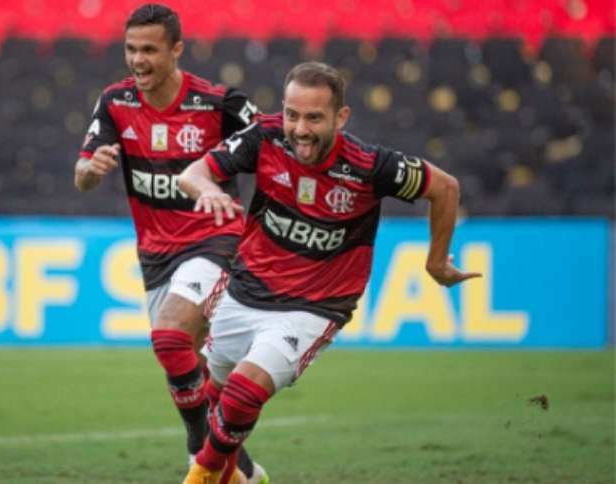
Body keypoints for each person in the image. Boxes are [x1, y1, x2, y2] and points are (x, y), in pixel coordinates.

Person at [178, 61, 482, 483]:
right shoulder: (264, 137)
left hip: (312, 308)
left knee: (244, 392)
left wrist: (435, 262)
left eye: (314, 117)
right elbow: (193, 174)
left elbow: (444, 187)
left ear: (341, 117)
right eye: (292, 114)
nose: (299, 128)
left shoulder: (369, 166)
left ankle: (199, 476)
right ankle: (245, 479)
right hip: (246, 290)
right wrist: (209, 190)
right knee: (211, 400)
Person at [73, 4, 267, 482]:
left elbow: (273, 153)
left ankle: (198, 453)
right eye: (130, 49)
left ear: (176, 49)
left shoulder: (219, 102)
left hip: (214, 240)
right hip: (155, 255)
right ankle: (244, 470)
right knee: (185, 365)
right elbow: (81, 178)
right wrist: (90, 169)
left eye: (149, 50)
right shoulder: (115, 102)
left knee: (168, 336)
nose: (137, 60)